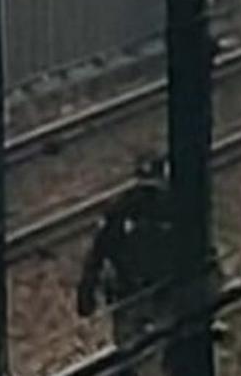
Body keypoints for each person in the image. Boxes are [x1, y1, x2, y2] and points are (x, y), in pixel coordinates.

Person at [77, 157, 177, 375]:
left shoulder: (170, 208)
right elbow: (99, 250)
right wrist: (87, 290)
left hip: (157, 292)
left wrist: (87, 290)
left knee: (155, 347)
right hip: (132, 291)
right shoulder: (123, 209)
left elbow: (98, 251)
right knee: (132, 351)